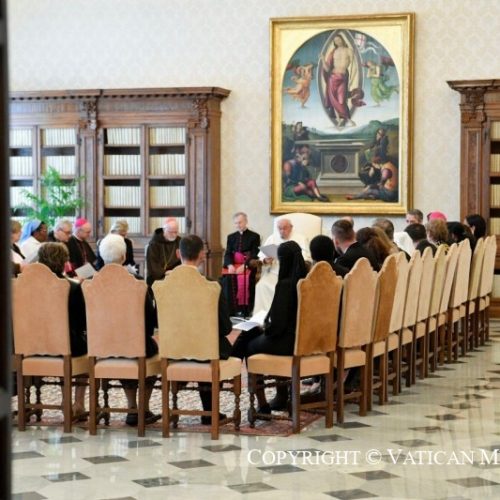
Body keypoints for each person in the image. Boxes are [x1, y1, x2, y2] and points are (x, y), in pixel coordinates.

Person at [232, 241, 308, 414]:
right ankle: (231, 361)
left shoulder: (285, 285)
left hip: (287, 343)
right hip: (303, 341)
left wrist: (265, 328)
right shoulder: (307, 283)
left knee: (249, 343)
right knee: (250, 332)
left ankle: (262, 404)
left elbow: (277, 327)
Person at [98, 233, 160, 426]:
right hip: (134, 344)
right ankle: (142, 409)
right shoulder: (137, 282)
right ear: (124, 256)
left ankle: (132, 407)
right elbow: (150, 320)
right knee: (150, 350)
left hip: (102, 346)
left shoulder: (91, 282)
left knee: (129, 347)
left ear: (101, 255)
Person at [176, 234, 233, 424]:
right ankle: (210, 410)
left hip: (176, 350)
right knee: (216, 345)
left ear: (178, 254)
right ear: (202, 254)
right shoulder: (212, 286)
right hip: (206, 351)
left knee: (202, 345)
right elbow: (225, 327)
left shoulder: (163, 285)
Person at [37, 242, 88, 421]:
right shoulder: (71, 287)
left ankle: (65, 401)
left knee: (65, 341)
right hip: (66, 344)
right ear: (64, 262)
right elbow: (82, 323)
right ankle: (78, 404)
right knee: (84, 348)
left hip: (33, 345)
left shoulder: (23, 286)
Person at [253, 218, 310, 314]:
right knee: (261, 286)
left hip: (291, 274)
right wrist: (266, 260)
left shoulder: (301, 238)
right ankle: (263, 315)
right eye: (279, 228)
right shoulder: (272, 238)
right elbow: (261, 257)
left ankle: (279, 315)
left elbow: (305, 258)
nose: (282, 231)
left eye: (285, 228)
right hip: (274, 272)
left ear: (291, 227)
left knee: (283, 288)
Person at [222, 212, 261, 316]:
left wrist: (245, 265)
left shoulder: (255, 236)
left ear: (246, 222)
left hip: (248, 265)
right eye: (236, 223)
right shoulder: (231, 237)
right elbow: (228, 253)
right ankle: (231, 311)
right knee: (227, 279)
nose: (238, 225)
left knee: (247, 279)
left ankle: (245, 311)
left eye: (240, 222)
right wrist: (230, 265)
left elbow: (255, 254)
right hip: (234, 266)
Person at [321, 34, 357, 127]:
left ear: (342, 39)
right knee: (334, 100)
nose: (337, 41)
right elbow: (327, 69)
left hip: (342, 77)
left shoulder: (349, 50)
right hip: (332, 77)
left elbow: (354, 67)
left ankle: (348, 119)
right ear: (334, 42)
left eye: (339, 39)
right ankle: (339, 120)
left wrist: (351, 80)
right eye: (335, 40)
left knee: (341, 100)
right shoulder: (333, 52)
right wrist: (323, 60)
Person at [146, 217, 181, 287]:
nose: (174, 235)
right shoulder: (154, 244)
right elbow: (152, 265)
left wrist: (175, 273)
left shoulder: (180, 242)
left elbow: (183, 261)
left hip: (176, 278)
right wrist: (165, 272)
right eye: (171, 232)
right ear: (164, 230)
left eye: (176, 232)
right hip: (157, 278)